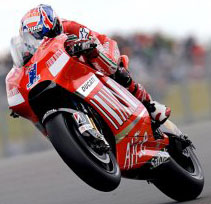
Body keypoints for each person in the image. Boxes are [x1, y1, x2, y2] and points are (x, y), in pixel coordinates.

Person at [19, 4, 170, 124]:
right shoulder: (29, 51)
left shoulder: (70, 26)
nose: (44, 40)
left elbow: (93, 41)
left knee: (111, 68)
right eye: (38, 38)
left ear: (55, 25)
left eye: (48, 35)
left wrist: (84, 46)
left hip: (101, 48)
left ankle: (150, 105)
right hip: (70, 72)